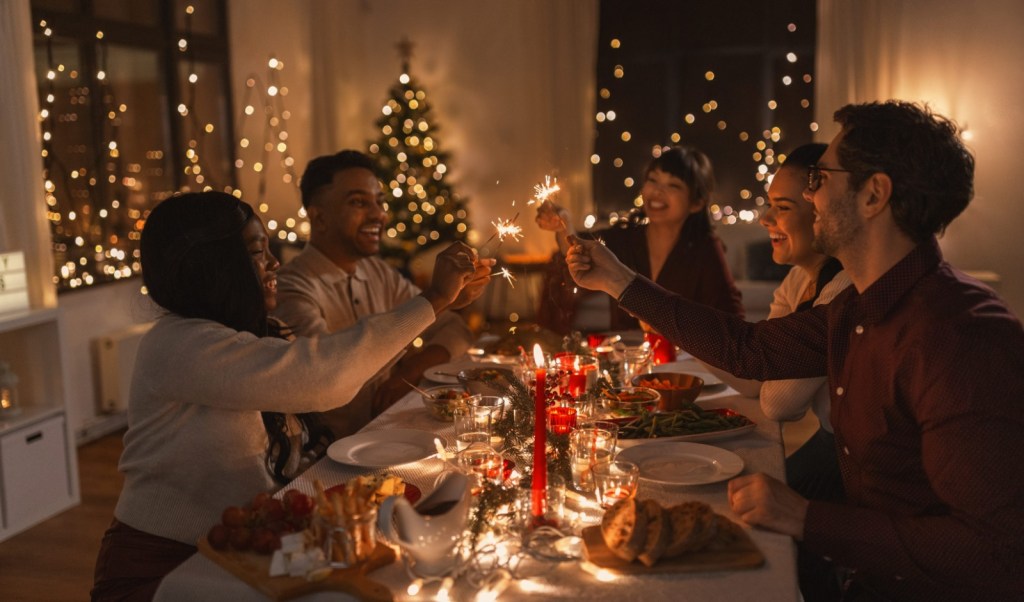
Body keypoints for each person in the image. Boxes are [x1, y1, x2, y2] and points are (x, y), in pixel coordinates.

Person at [565, 101, 1024, 601]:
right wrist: (618, 280)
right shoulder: (857, 305)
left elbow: (997, 550)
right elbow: (749, 351)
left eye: (820, 179)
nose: (809, 195)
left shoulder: (960, 337)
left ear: (874, 195)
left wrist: (807, 518)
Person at [91, 191, 486, 601]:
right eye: (258, 252)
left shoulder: (252, 332)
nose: (274, 263)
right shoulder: (176, 346)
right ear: (216, 266)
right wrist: (434, 299)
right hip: (168, 566)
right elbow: (326, 375)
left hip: (248, 550)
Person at [273, 150, 489, 438]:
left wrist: (407, 374)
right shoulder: (290, 287)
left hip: (394, 434)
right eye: (359, 202)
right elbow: (326, 377)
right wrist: (436, 297)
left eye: (379, 202)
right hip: (328, 459)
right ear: (319, 217)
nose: (378, 214)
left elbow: (456, 329)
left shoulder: (378, 273)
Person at [707, 143, 851, 505]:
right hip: (830, 441)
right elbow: (760, 376)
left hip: (850, 458)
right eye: (769, 205)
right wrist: (676, 333)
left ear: (823, 212)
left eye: (782, 208)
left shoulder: (842, 290)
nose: (765, 219)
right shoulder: (798, 280)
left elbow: (778, 404)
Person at [535, 145, 743, 334]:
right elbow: (577, 247)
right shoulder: (625, 238)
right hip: (624, 357)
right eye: (653, 180)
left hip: (681, 362)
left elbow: (732, 320)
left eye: (673, 185)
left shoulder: (704, 249)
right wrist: (564, 224)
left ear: (696, 202)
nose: (657, 191)